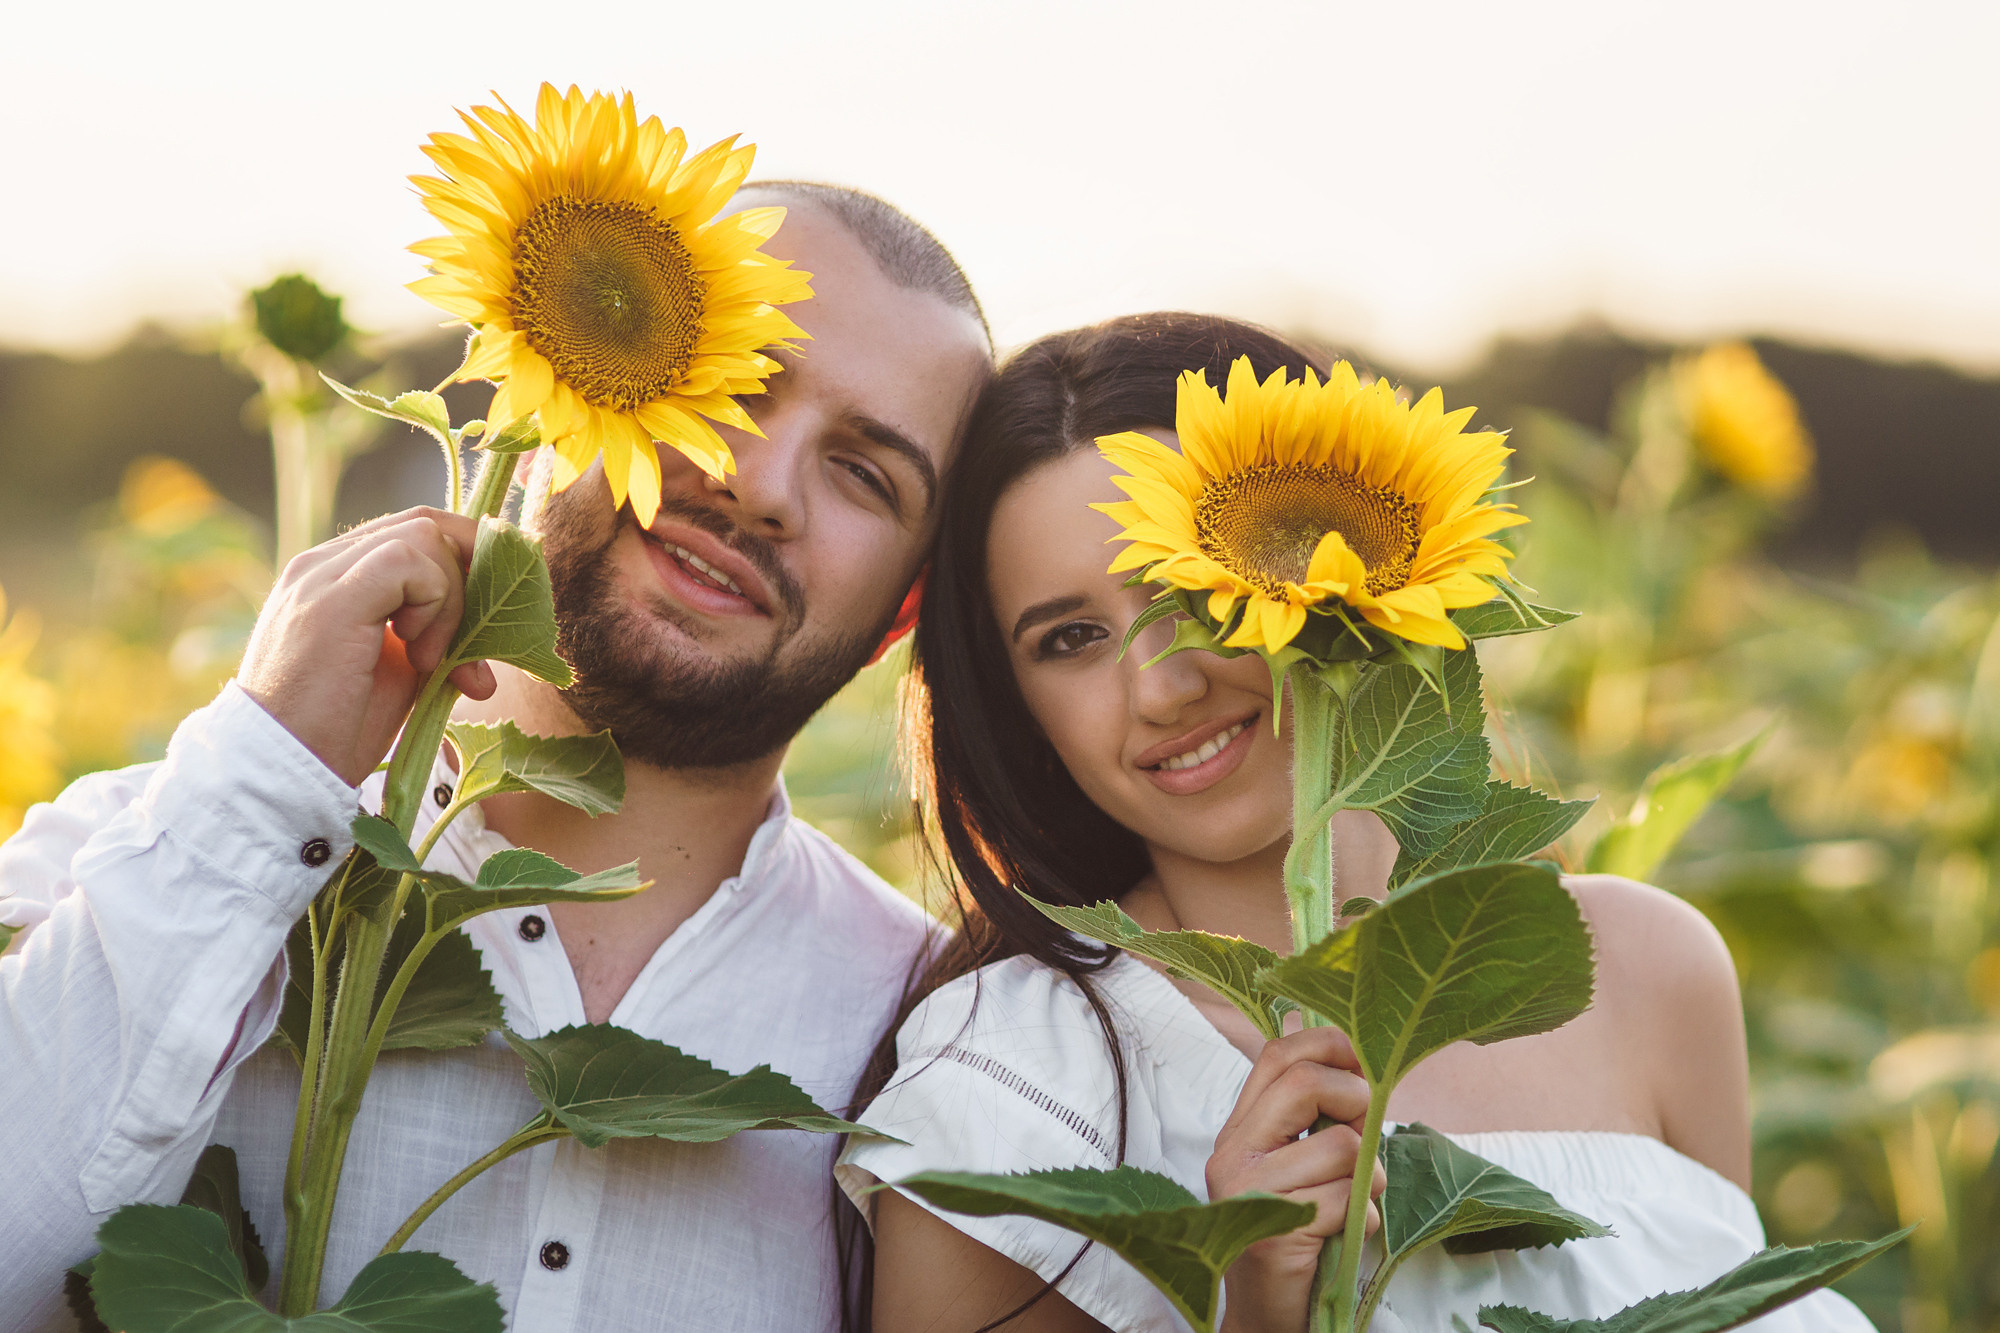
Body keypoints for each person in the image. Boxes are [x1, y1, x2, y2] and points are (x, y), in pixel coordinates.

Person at [0, 183, 990, 1331]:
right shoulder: (127, 849)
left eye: (866, 474)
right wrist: (265, 775)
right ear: (561, 368)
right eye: (725, 380)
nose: (759, 485)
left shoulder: (934, 1031)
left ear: (903, 609)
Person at [836, 312, 1876, 1332]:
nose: (1161, 688)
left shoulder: (1645, 972)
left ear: (1351, 561)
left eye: (1195, 587)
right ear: (1014, 705)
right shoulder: (1011, 1083)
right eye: (1068, 637)